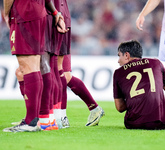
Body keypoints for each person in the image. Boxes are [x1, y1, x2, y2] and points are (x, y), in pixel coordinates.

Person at [3, 0, 65, 132]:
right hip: (39, 13)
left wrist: (6, 13)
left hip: (24, 13)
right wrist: (54, 12)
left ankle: (31, 121)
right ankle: (37, 119)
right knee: (35, 66)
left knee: (28, 67)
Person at [57, 0, 105, 127]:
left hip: (58, 25)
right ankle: (34, 115)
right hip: (51, 25)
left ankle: (61, 117)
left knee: (63, 75)